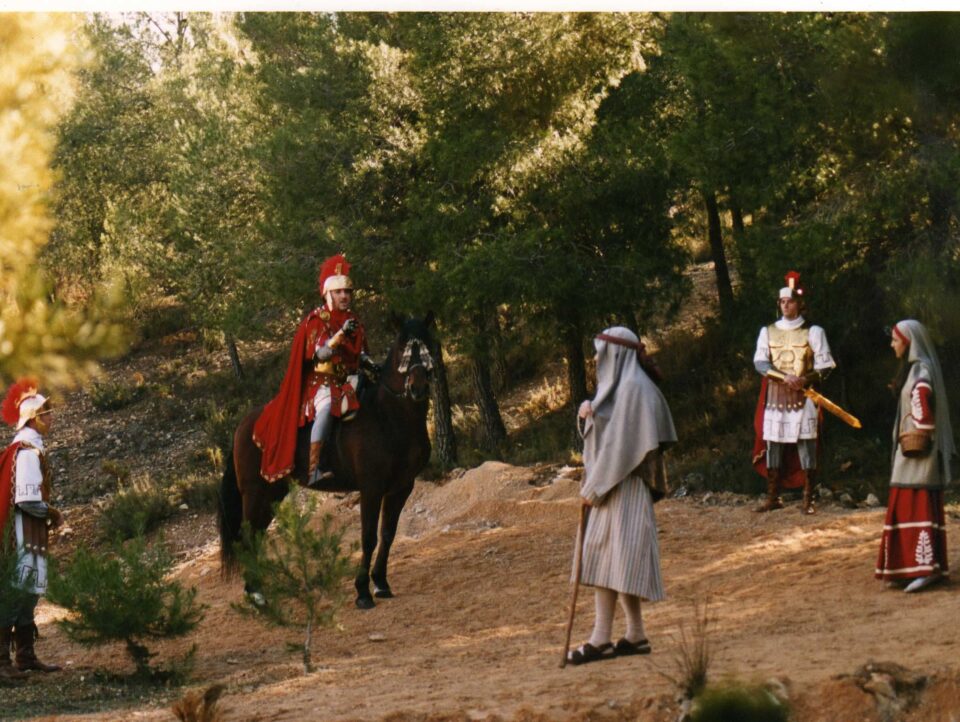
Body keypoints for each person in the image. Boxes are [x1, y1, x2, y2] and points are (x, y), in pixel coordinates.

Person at [567, 327, 677, 665]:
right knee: (615, 561)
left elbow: (619, 451)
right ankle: (635, 634)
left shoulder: (634, 390)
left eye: (601, 352)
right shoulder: (619, 389)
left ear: (618, 354)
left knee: (611, 559)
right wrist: (588, 415)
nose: (597, 358)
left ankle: (601, 638)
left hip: (622, 487)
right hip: (613, 486)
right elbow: (605, 435)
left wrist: (592, 489)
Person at [253, 254, 376, 485]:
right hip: (321, 381)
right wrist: (340, 335)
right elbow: (320, 353)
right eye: (338, 292)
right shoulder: (317, 320)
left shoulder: (353, 320)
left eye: (347, 292)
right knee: (328, 405)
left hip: (348, 378)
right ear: (328, 294)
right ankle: (314, 467)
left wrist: (371, 364)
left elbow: (358, 353)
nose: (344, 296)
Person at [876, 320, 955, 593]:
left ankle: (925, 568)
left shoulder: (921, 371)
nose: (892, 344)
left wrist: (920, 426)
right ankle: (908, 567)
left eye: (896, 340)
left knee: (917, 502)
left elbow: (923, 398)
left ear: (908, 343)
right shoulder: (915, 370)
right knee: (907, 500)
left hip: (917, 453)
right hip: (909, 455)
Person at [752, 271, 836, 514]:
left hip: (804, 396)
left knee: (806, 444)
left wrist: (804, 379)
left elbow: (826, 365)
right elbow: (760, 362)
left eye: (789, 301)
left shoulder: (814, 331)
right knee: (773, 444)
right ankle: (773, 496)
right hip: (776, 396)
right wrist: (784, 377)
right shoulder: (767, 331)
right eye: (782, 301)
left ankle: (808, 499)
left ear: (800, 303)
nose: (785, 305)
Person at [0, 378, 63, 679]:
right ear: (34, 419)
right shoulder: (26, 452)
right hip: (22, 533)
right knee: (15, 594)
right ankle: (1, 662)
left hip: (29, 531)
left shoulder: (28, 447)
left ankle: (25, 655)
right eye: (46, 414)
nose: (51, 418)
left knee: (26, 593)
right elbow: (26, 499)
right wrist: (52, 513)